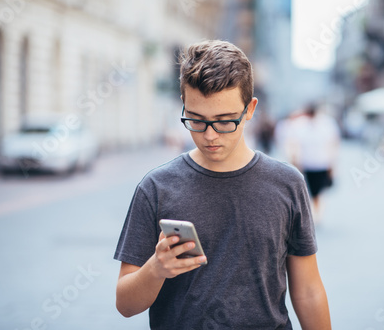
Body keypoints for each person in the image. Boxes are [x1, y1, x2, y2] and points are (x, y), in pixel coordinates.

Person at [114, 40, 331, 329]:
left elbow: (308, 291)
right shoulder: (155, 187)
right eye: (196, 120)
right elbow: (126, 305)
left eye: (225, 121)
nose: (210, 135)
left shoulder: (288, 184)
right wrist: (156, 269)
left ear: (250, 109)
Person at [290, 103, 340, 224]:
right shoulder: (300, 125)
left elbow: (332, 143)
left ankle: (316, 212)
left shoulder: (326, 124)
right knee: (310, 190)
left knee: (317, 190)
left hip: (320, 162)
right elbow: (295, 144)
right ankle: (315, 212)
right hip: (308, 163)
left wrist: (332, 163)